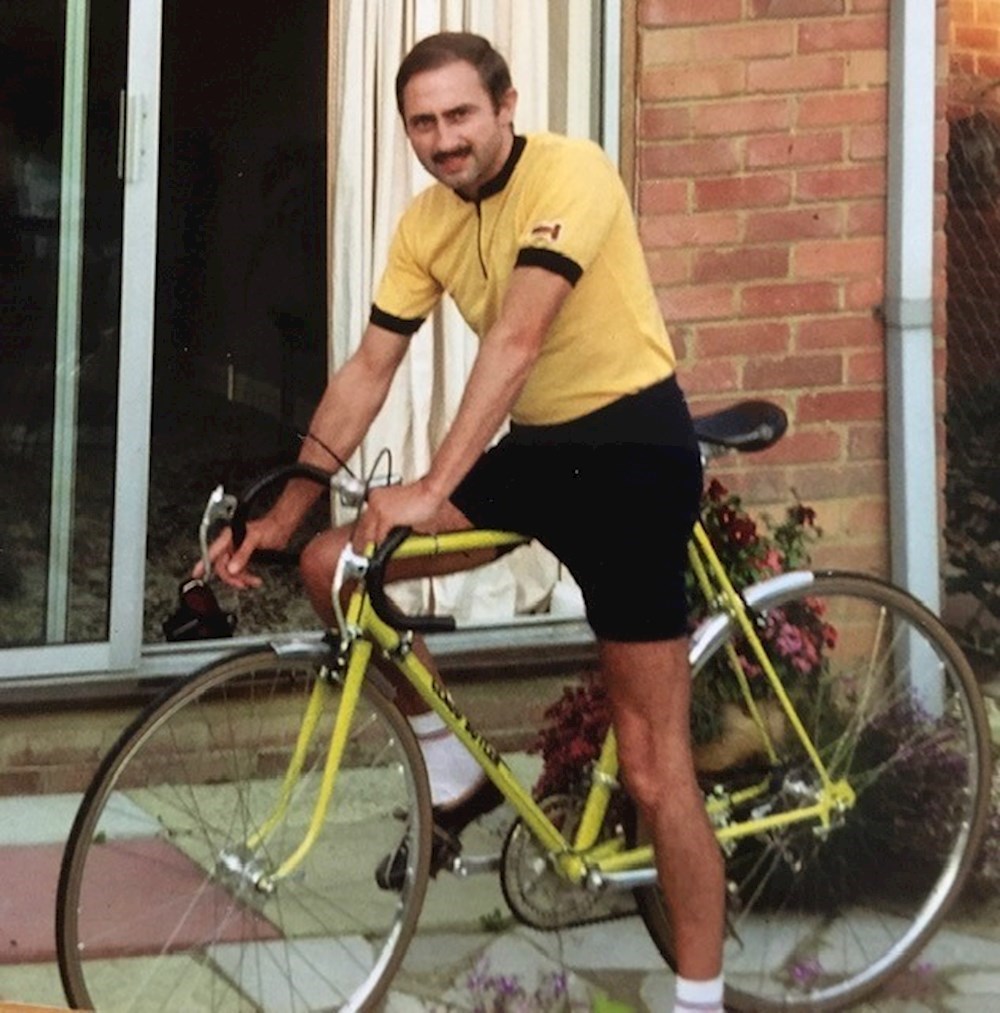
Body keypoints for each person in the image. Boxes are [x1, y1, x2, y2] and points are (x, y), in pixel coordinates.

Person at [203, 31, 725, 1012]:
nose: (442, 139)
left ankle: (699, 995)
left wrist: (435, 479)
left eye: (459, 115)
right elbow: (368, 368)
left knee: (655, 772)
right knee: (334, 568)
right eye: (422, 123)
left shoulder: (575, 172)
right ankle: (456, 775)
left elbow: (520, 336)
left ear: (505, 106)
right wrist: (285, 512)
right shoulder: (427, 224)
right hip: (535, 456)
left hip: (629, 459)